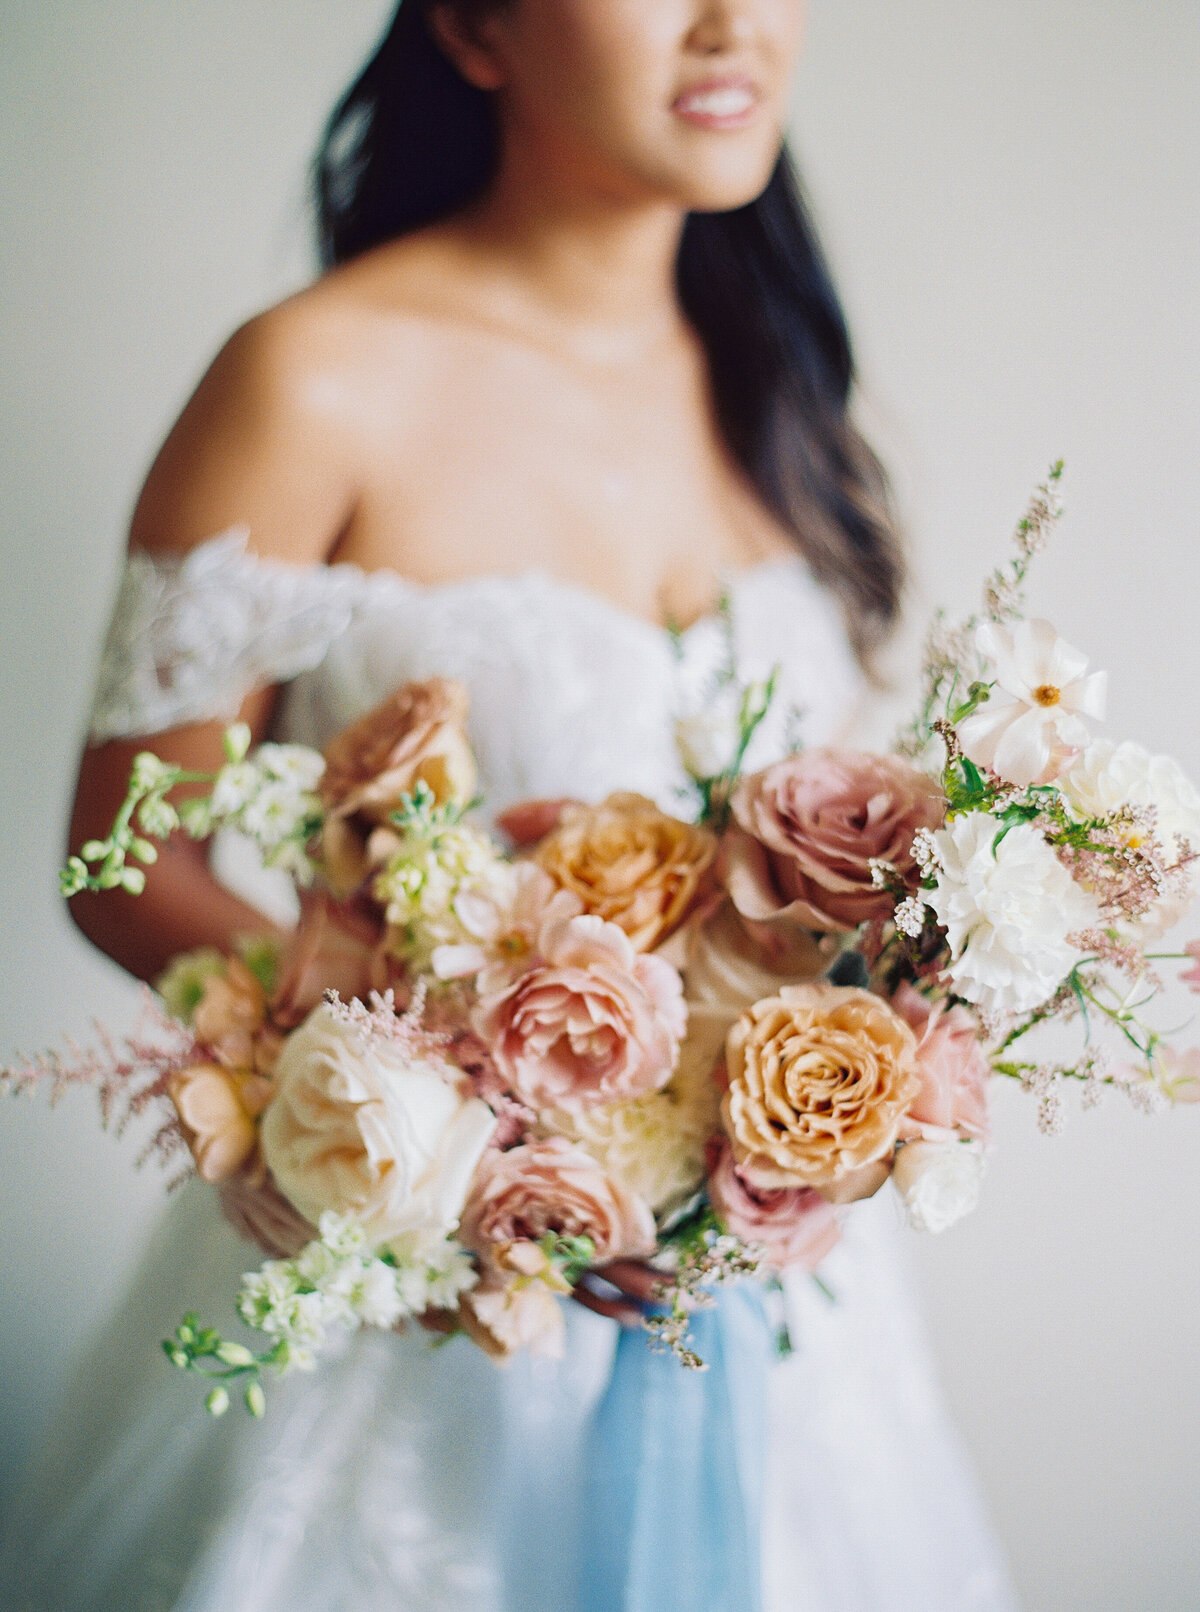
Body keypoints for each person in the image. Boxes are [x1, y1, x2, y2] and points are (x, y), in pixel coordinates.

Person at [4, 3, 1019, 1608]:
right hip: (428, 1276)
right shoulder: (311, 381)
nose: (730, 22)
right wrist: (442, 1132)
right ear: (476, 24)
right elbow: (126, 865)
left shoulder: (788, 393)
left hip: (774, 1306)